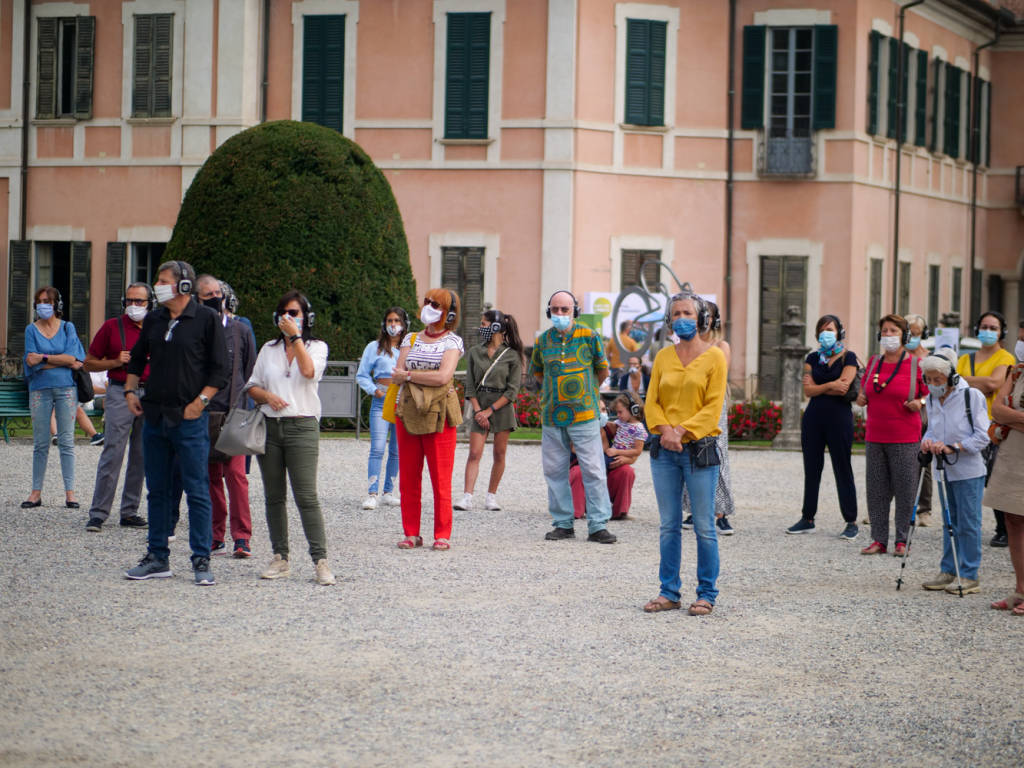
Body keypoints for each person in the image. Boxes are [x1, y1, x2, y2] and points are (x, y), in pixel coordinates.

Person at [122, 260, 228, 586]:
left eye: (164, 280)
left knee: (197, 490)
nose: (158, 285)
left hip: (190, 419)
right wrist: (129, 389)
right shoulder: (154, 319)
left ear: (184, 285)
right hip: (155, 417)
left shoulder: (207, 319)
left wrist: (200, 403)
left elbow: (220, 370)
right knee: (157, 491)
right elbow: (137, 359)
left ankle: (201, 558)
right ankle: (157, 556)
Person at [643, 291, 727, 615]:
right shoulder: (663, 357)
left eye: (688, 313)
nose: (682, 318)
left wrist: (681, 431)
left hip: (699, 451)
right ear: (669, 319)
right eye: (676, 313)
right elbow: (652, 401)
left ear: (702, 318)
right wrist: (666, 430)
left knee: (705, 526)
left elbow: (713, 406)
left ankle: (706, 593)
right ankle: (669, 592)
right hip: (664, 450)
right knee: (668, 525)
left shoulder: (715, 357)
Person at [246, 291, 334, 585]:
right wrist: (268, 396)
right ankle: (280, 557)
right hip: (270, 427)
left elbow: (308, 373)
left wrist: (295, 338)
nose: (288, 317)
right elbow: (253, 386)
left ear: (306, 317)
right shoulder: (268, 350)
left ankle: (320, 560)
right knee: (274, 497)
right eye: (284, 312)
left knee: (306, 496)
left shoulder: (317, 347)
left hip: (302, 426)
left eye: (294, 312)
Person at [531, 290, 616, 544]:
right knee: (555, 471)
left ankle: (598, 524)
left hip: (585, 414)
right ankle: (563, 523)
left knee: (593, 470)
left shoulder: (590, 337)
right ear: (549, 311)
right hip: (552, 416)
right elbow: (538, 373)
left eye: (564, 310)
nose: (559, 314)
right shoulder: (542, 341)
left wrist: (586, 394)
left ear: (574, 311)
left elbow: (602, 371)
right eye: (555, 310)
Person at [390, 289, 465, 551]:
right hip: (407, 411)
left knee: (440, 479)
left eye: (436, 304)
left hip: (439, 415)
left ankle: (442, 533)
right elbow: (397, 373)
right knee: (409, 478)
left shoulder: (453, 342)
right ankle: (411, 532)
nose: (429, 307)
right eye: (427, 302)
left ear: (449, 313)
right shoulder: (410, 338)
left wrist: (410, 376)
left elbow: (444, 377)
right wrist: (414, 375)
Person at [919, 348, 990, 595]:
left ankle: (969, 574)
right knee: (950, 522)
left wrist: (955, 447)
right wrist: (927, 441)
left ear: (950, 377)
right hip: (943, 471)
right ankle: (948, 570)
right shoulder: (930, 399)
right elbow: (932, 429)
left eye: (937, 380)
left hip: (969, 471)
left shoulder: (972, 396)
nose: (932, 384)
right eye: (928, 380)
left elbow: (983, 436)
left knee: (969, 523)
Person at [83, 282, 153, 531]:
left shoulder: (158, 326)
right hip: (120, 391)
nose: (133, 306)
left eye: (139, 301)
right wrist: (114, 361)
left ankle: (129, 511)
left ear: (149, 303)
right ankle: (99, 513)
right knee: (113, 451)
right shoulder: (112, 327)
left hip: (151, 394)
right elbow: (88, 363)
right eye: (129, 301)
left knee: (142, 454)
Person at [855, 314, 926, 556]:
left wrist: (920, 401)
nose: (888, 335)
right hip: (875, 435)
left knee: (906, 489)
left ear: (904, 336)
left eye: (893, 331)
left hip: (905, 436)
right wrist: (861, 398)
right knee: (876, 490)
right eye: (884, 331)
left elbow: (931, 393)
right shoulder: (874, 362)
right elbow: (864, 391)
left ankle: (902, 540)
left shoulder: (917, 364)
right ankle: (878, 539)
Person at [197, 275, 257, 558]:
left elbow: (249, 371)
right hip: (203, 413)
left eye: (217, 292)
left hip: (234, 413)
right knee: (210, 477)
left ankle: (242, 537)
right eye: (207, 293)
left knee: (236, 475)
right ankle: (215, 534)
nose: (214, 297)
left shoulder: (240, 330)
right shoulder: (194, 331)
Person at [787, 314, 859, 538]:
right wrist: (830, 384)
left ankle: (851, 520)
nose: (826, 333)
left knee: (842, 468)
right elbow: (808, 391)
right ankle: (807, 517)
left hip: (839, 418)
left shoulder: (849, 357)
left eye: (831, 329)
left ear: (839, 332)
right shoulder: (812, 357)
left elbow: (844, 388)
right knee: (812, 468)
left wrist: (821, 386)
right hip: (814, 418)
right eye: (823, 329)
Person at [21, 286, 85, 509]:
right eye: (39, 301)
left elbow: (74, 358)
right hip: (39, 389)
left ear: (57, 304)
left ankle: (70, 493)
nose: (42, 305)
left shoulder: (68, 327)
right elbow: (30, 360)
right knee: (40, 443)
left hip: (66, 389)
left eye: (47, 300)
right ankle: (35, 493)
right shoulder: (31, 329)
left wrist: (44, 358)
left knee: (66, 441)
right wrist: (62, 360)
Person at [455, 308, 524, 512]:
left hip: (501, 407)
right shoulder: (475, 352)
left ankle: (491, 496)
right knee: (474, 453)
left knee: (499, 453)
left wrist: (489, 411)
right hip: (480, 404)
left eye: (484, 324)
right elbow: (470, 385)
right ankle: (467, 496)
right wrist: (478, 410)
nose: (480, 328)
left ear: (496, 327)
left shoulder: (512, 355)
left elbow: (512, 390)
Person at [957, 310, 1015, 548]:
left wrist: (965, 380)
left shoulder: (1006, 358)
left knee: (995, 478)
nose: (988, 332)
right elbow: (954, 383)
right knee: (967, 478)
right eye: (984, 327)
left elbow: (996, 384)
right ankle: (966, 524)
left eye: (993, 328)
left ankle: (1002, 529)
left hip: (992, 426)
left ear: (1001, 333)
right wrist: (982, 382)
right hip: (966, 425)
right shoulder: (965, 358)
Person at [682, 300, 735, 535]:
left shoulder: (721, 346)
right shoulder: (686, 346)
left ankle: (721, 512)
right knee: (690, 454)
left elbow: (718, 376)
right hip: (690, 402)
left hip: (713, 404)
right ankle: (695, 509)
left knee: (717, 454)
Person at [985, 321, 1024, 614]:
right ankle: (1020, 590)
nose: (1020, 344)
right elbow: (996, 408)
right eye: (1020, 338)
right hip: (1013, 454)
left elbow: (1002, 412)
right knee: (1013, 520)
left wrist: (1009, 417)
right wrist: (1014, 417)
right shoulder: (1017, 371)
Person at [356, 307, 407, 510]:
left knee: (397, 449)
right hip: (381, 399)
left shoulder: (409, 347)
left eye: (397, 320)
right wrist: (374, 390)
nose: (393, 324)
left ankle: (388, 491)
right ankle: (372, 492)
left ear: (404, 324)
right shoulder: (374, 347)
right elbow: (362, 374)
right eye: (389, 320)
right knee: (377, 447)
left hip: (402, 401)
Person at [571, 392, 647, 520]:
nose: (602, 413)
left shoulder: (613, 428)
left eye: (603, 409)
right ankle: (576, 511)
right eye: (598, 410)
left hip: (605, 473)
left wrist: (625, 459)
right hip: (584, 476)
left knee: (626, 471)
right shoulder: (577, 430)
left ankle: (619, 512)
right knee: (578, 472)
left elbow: (634, 453)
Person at [904, 313, 934, 526]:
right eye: (909, 333)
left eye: (916, 333)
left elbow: (936, 388)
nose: (913, 337)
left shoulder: (929, 358)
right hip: (899, 412)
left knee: (924, 461)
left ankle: (925, 509)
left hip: (923, 413)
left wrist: (921, 403)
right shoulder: (896, 356)